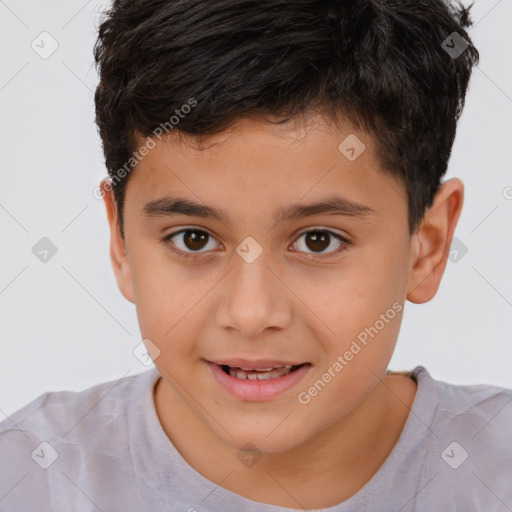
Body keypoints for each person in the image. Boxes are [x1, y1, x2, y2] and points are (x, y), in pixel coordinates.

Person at [1, 0, 511, 510]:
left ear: (428, 245)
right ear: (122, 241)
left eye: (318, 240)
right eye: (193, 239)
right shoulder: (31, 479)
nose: (250, 314)